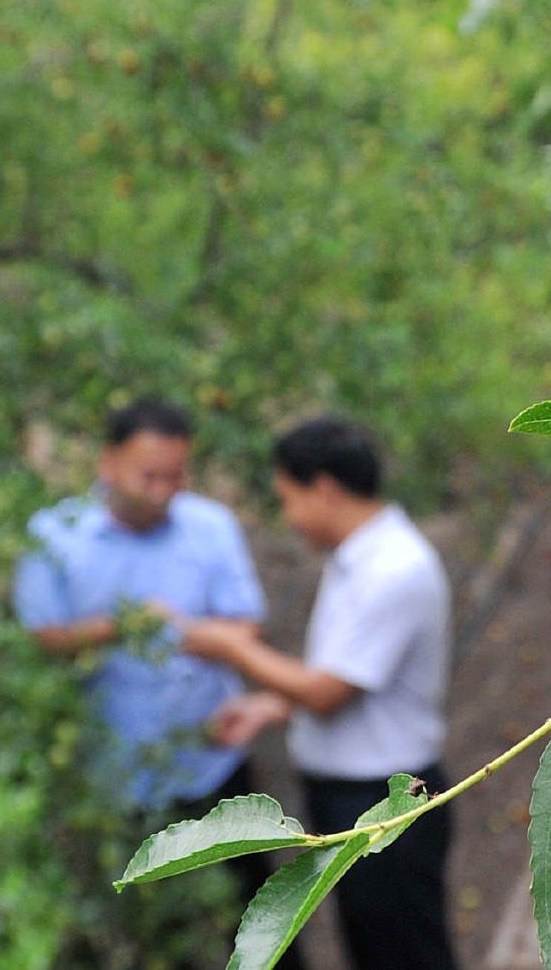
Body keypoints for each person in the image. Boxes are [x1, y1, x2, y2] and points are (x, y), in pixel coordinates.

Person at [12, 397, 294, 961]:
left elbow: (245, 625)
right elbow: (41, 639)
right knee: (161, 937)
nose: (164, 489)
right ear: (107, 463)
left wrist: (182, 631)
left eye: (176, 474)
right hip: (117, 777)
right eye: (149, 475)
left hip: (212, 762)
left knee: (264, 923)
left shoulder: (210, 526)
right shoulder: (55, 536)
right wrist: (119, 628)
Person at [177, 414, 457, 970]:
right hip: (357, 797)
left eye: (288, 499)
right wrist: (272, 704)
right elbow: (351, 674)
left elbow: (329, 691)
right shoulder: (357, 559)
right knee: (377, 945)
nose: (288, 518)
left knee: (405, 954)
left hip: (386, 799)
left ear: (324, 490)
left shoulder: (393, 569)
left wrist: (232, 648)